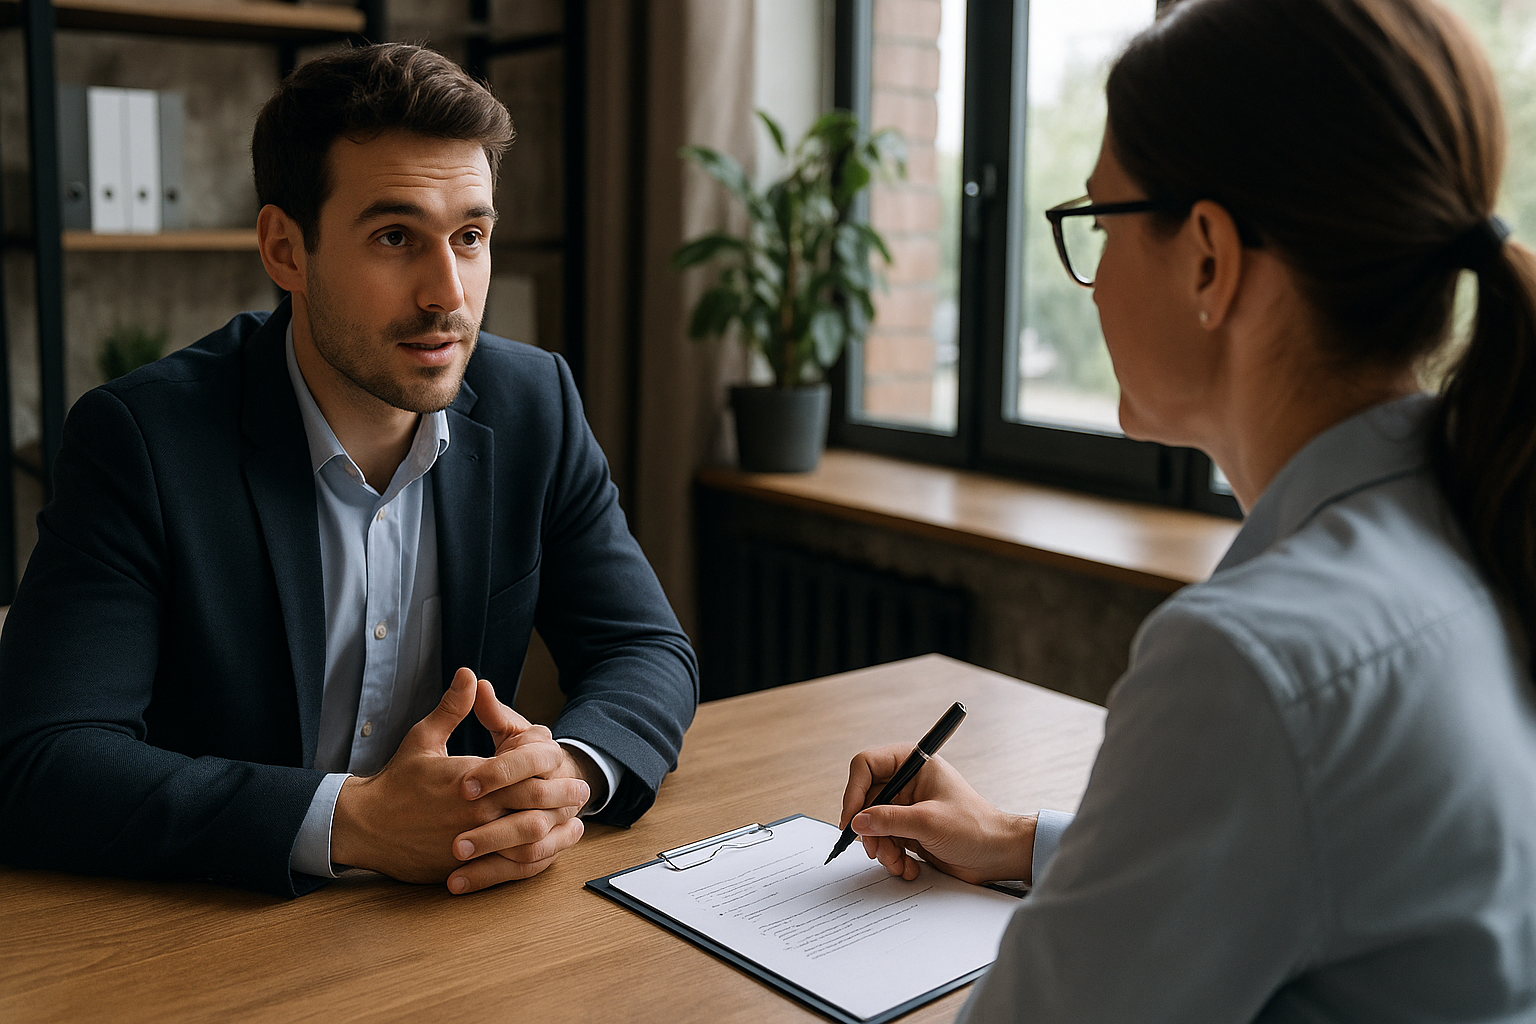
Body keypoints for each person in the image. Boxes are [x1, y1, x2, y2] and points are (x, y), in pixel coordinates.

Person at [838, 0, 1536, 1019]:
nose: (1090, 284)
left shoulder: (1252, 663)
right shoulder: (1484, 524)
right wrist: (1017, 840)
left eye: (1100, 222)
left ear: (1208, 256)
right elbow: (1334, 853)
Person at [0, 44, 697, 900]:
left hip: (457, 909)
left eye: (470, 237)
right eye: (395, 237)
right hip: (218, 920)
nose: (449, 293)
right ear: (286, 250)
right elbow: (43, 757)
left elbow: (644, 648)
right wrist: (354, 821)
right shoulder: (142, 441)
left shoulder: (533, 404)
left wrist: (569, 777)